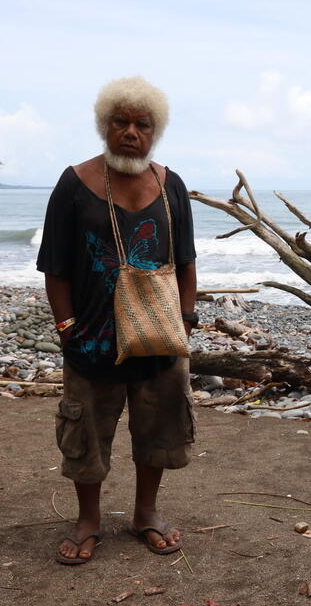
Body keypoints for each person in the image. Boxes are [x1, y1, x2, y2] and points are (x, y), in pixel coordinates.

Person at [36, 76, 199, 565]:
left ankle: (145, 514)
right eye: (121, 122)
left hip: (160, 338)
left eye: (142, 124)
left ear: (155, 131)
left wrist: (185, 322)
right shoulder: (74, 184)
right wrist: (68, 331)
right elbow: (54, 267)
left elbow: (188, 262)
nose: (131, 132)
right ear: (104, 126)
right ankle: (88, 521)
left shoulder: (171, 186)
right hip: (91, 341)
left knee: (160, 429)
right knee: (86, 433)